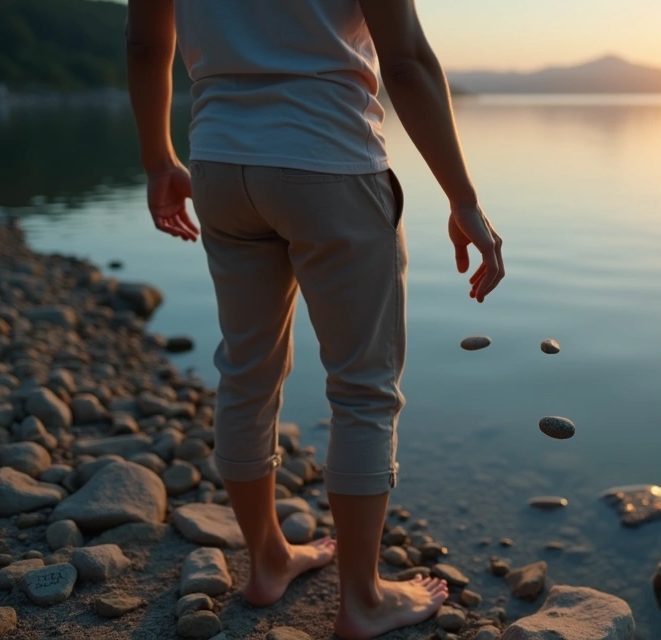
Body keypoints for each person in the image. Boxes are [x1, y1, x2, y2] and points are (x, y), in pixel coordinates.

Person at [125, 0, 505, 637]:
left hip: (220, 162)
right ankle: (362, 599)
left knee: (246, 370)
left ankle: (269, 559)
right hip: (332, 161)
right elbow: (406, 61)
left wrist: (159, 161)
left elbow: (144, 44)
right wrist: (462, 198)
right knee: (363, 387)